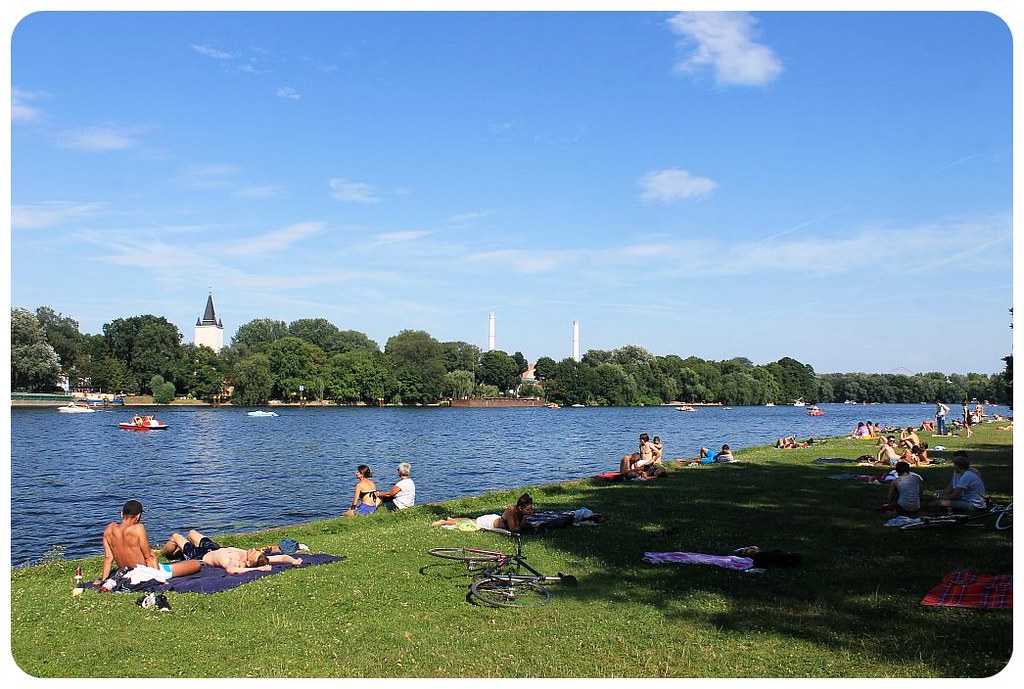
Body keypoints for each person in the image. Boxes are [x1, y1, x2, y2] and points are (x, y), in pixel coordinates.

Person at [98, 500, 201, 585]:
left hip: (126, 573)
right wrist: (159, 579)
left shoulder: (109, 529)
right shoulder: (138, 528)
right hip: (145, 572)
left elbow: (108, 558)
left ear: (122, 514)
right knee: (196, 564)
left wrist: (103, 580)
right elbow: (149, 557)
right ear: (138, 516)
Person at [160, 529, 303, 574]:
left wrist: (259, 569)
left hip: (199, 554)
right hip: (214, 547)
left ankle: (161, 552)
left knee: (176, 536)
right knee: (191, 533)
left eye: (253, 553)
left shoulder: (235, 563)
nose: (252, 549)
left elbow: (230, 570)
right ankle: (176, 552)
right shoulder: (249, 557)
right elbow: (282, 557)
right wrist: (294, 561)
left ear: (248, 562)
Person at [431, 493, 534, 533]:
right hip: (489, 522)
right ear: (520, 508)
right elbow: (513, 529)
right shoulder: (511, 510)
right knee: (471, 522)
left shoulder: (520, 512)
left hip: (495, 518)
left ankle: (450, 519)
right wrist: (525, 519)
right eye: (528, 510)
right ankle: (443, 522)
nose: (530, 511)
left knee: (470, 520)